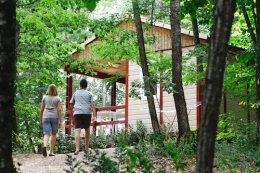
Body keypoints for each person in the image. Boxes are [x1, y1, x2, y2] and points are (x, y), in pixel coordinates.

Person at [70, 78, 96, 155]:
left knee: (77, 130)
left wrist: (72, 116)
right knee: (87, 129)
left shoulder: (75, 93)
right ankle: (87, 148)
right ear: (86, 86)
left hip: (77, 113)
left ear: (80, 85)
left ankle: (77, 149)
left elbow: (71, 105)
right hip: (87, 113)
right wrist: (94, 115)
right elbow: (93, 105)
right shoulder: (90, 94)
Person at [40, 84, 62, 157]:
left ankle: (45, 146)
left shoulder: (44, 97)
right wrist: (60, 120)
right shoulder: (58, 98)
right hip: (54, 116)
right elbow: (59, 110)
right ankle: (51, 152)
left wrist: (40, 120)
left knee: (46, 133)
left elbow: (41, 110)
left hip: (46, 116)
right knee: (54, 133)